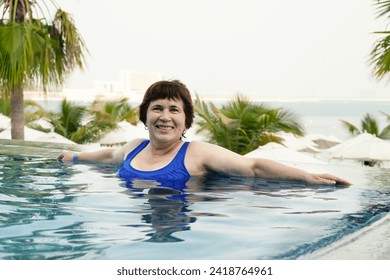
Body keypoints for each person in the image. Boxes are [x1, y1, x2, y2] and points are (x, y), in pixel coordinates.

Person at [57, 80, 351, 187]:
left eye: (175, 110)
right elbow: (109, 156)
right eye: (157, 108)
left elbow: (253, 167)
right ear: (145, 115)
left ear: (186, 121)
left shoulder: (195, 152)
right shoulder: (133, 147)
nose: (165, 117)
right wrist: (74, 156)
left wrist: (309, 177)